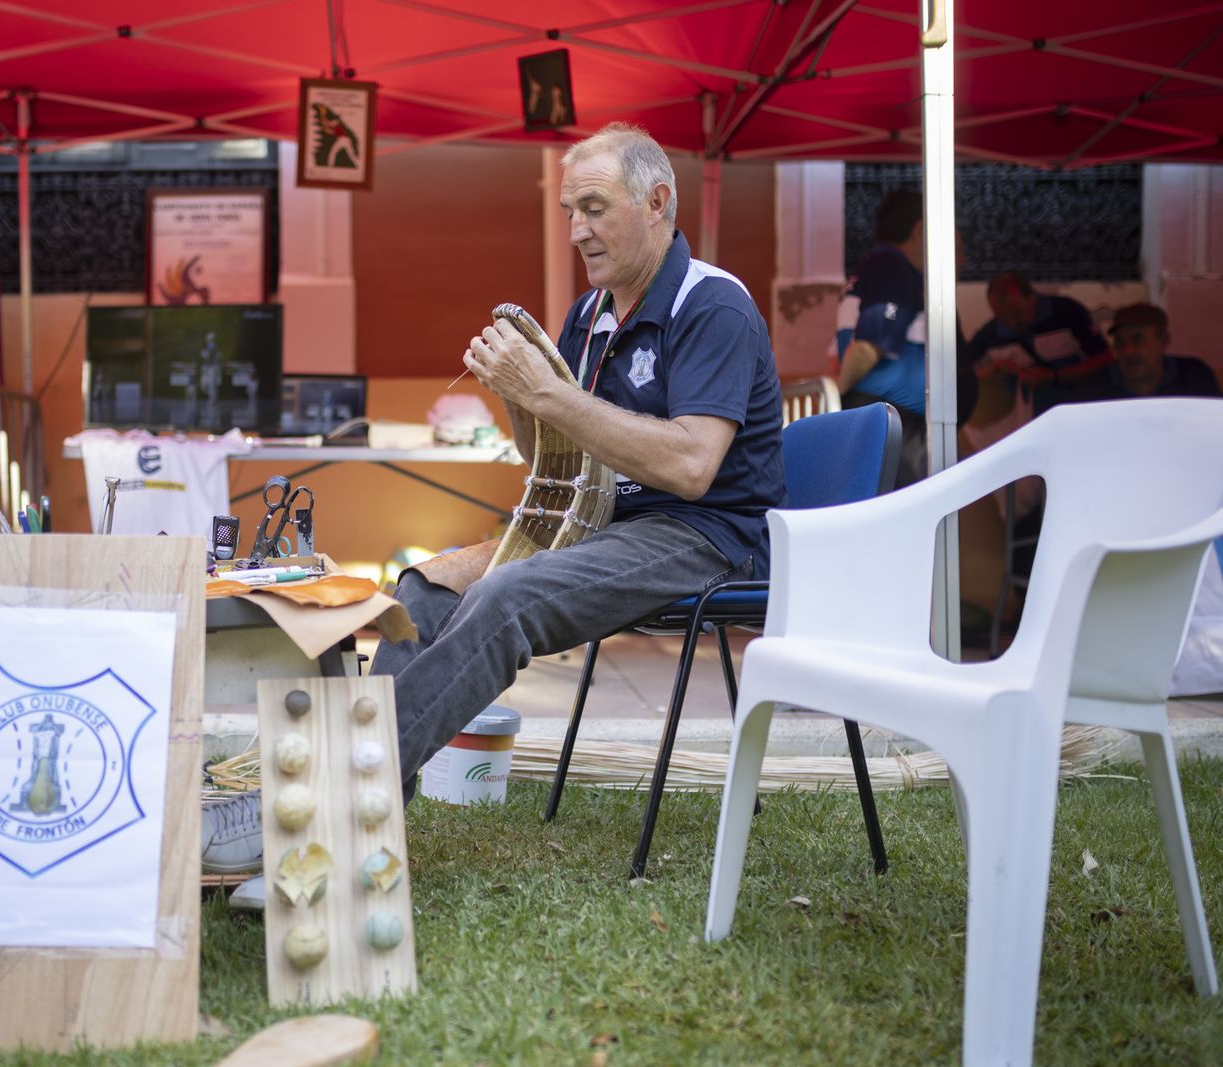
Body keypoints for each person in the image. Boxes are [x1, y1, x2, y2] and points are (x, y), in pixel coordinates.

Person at [372, 122, 786, 798]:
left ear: (656, 202)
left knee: (505, 598)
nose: (576, 231)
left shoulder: (713, 305)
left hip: (706, 535)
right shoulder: (588, 313)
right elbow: (551, 462)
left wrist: (547, 392)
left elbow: (691, 468)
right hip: (600, 525)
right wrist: (517, 394)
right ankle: (379, 798)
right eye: (571, 211)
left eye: (594, 208)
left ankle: (350, 787)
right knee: (424, 588)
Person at [834, 189, 931, 487]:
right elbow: (867, 348)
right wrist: (833, 401)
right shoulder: (893, 267)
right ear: (920, 229)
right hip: (886, 422)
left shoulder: (875, 266)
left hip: (879, 417)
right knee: (900, 509)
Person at [967, 272, 1110, 429]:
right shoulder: (991, 333)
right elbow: (960, 370)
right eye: (1003, 319)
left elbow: (1105, 357)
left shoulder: (1067, 311)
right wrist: (991, 371)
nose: (1013, 324)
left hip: (1082, 411)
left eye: (1018, 314)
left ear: (1032, 297)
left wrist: (1055, 377)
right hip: (1032, 423)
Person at [1066, 302, 1221, 402]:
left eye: (1138, 340)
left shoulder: (1193, 376)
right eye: (1120, 342)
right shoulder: (1093, 387)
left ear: (1164, 341)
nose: (1128, 351)